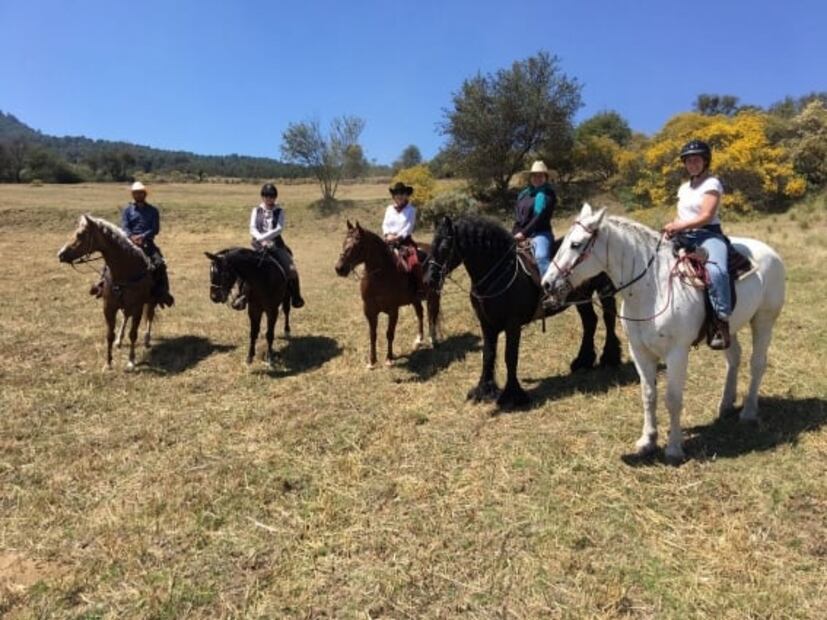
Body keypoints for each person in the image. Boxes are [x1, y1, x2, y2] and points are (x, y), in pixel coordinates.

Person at [662, 139, 730, 349]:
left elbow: (706, 216)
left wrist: (680, 225)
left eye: (696, 160)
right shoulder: (683, 188)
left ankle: (721, 322)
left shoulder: (712, 184)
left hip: (707, 235)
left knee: (717, 272)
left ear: (705, 161)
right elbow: (682, 213)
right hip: (683, 235)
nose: (692, 164)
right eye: (689, 161)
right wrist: (673, 225)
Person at [90, 181, 174, 307]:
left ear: (145, 194)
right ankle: (101, 285)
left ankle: (162, 292)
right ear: (133, 195)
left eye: (140, 193)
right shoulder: (127, 211)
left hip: (147, 243)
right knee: (110, 260)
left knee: (160, 263)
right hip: (128, 242)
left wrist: (143, 236)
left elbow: (155, 228)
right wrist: (130, 236)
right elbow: (125, 226)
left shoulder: (153, 211)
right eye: (136, 193)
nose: (138, 195)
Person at [232, 183, 304, 310]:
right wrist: (260, 239)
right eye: (266, 196)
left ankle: (296, 297)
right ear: (262, 197)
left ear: (275, 197)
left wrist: (266, 239)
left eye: (271, 196)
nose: (269, 199)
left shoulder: (280, 211)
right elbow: (252, 228)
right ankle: (240, 296)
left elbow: (279, 229)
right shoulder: (256, 210)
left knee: (291, 268)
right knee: (243, 266)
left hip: (276, 245)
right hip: (258, 245)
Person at [513, 160, 556, 277]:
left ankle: (551, 290)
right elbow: (518, 217)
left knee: (541, 257)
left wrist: (524, 234)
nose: (537, 178)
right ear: (530, 177)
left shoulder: (548, 195)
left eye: (540, 175)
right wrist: (515, 232)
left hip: (540, 233)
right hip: (520, 234)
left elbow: (540, 217)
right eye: (534, 175)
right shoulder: (523, 195)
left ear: (546, 177)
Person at [382, 181, 425, 298]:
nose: (399, 196)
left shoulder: (411, 210)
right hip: (388, 240)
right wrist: (387, 235)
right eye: (397, 193)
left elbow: (409, 227)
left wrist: (397, 237)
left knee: (414, 262)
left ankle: (420, 289)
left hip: (405, 241)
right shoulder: (389, 209)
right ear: (394, 196)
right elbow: (385, 224)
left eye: (402, 193)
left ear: (407, 195)